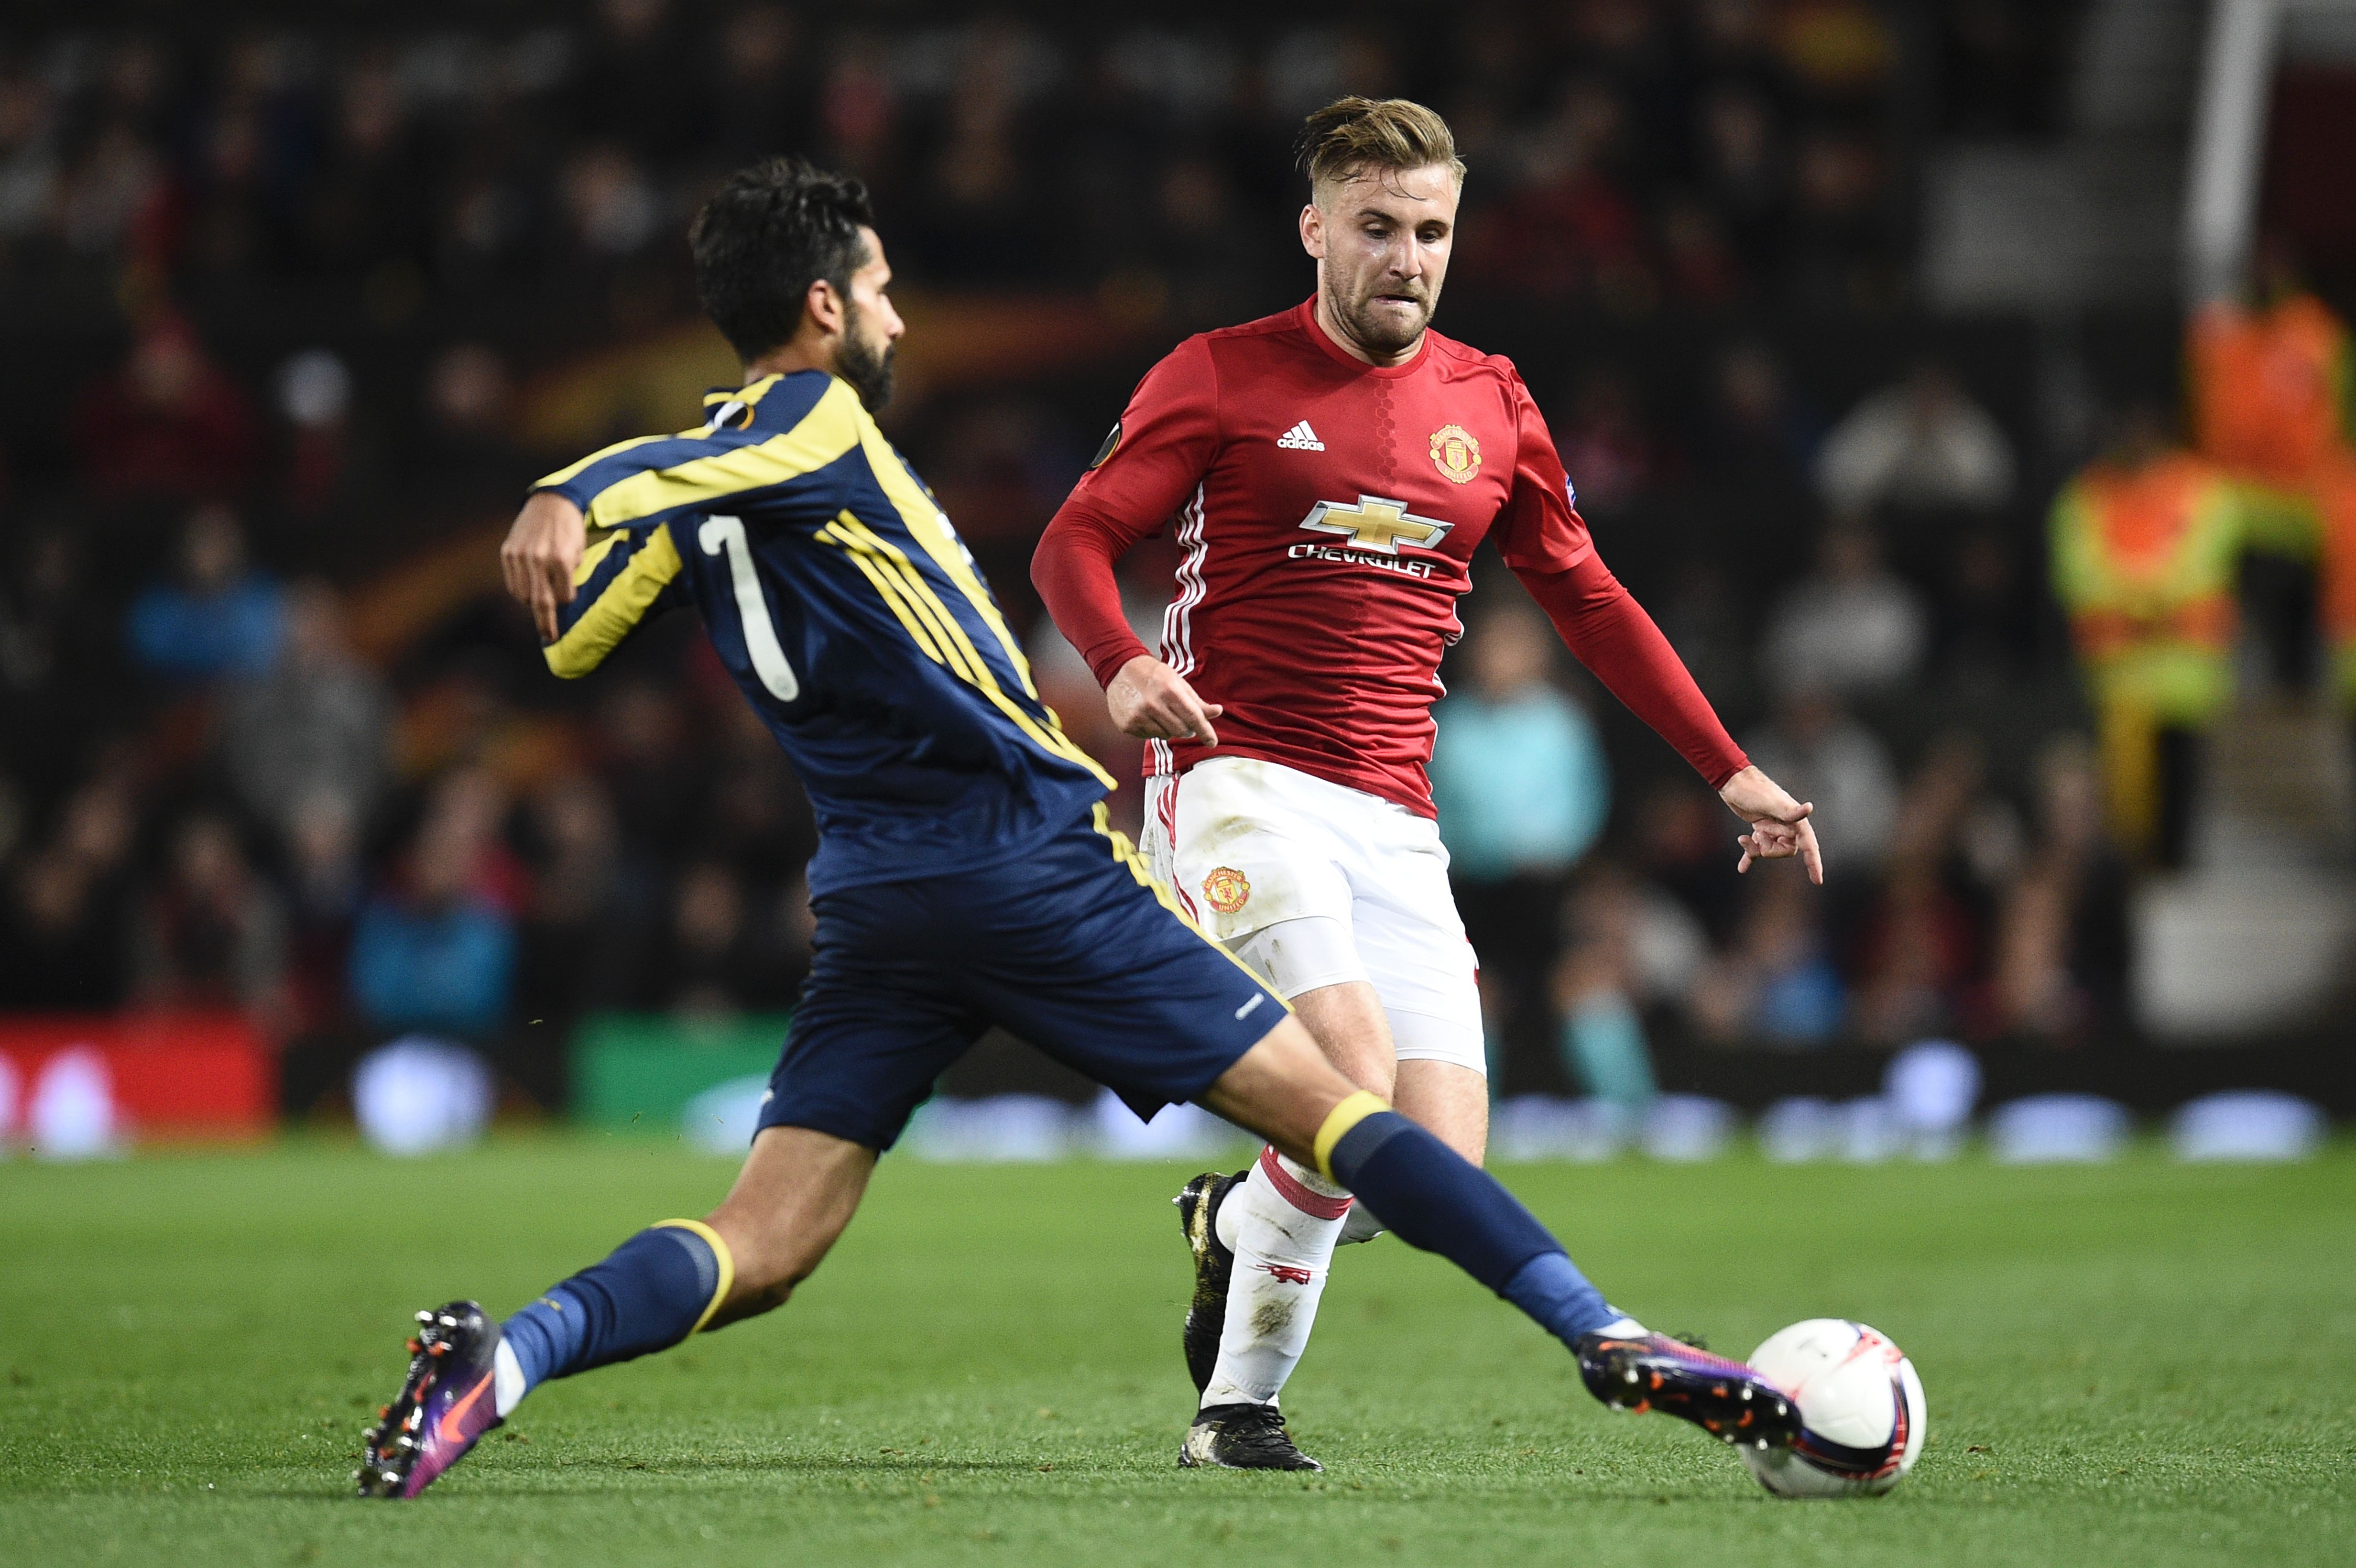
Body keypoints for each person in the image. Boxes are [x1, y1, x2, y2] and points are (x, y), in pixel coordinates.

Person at [359, 157, 1805, 1502]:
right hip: (1028, 860)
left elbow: (575, 640)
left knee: (767, 1240)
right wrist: (574, 485)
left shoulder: (717, 504)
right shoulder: (813, 417)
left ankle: (508, 1359)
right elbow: (685, 466)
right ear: (820, 307)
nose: (894, 313)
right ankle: (1606, 1334)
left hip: (875, 894)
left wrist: (628, 522)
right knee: (1344, 1114)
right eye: (875, 289)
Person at [1030, 98, 1822, 1471]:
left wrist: (1729, 767)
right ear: (1317, 230)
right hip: (1233, 776)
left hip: (1393, 813)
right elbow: (1073, 539)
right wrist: (1116, 664)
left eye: (1434, 232)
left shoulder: (1490, 399)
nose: (1408, 257)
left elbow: (1590, 600)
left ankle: (1234, 1225)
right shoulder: (1219, 374)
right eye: (1380, 228)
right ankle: (1236, 1416)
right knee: (1352, 1087)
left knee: (1428, 1172)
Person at [2048, 409, 2243, 867]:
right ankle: (2126, 865)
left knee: (2181, 776)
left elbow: (2208, 559)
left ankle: (2175, 863)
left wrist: (2139, 599)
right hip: (2117, 669)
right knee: (2119, 786)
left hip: (2184, 670)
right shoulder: (2087, 493)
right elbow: (2076, 570)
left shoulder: (2202, 488)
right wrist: (2150, 601)